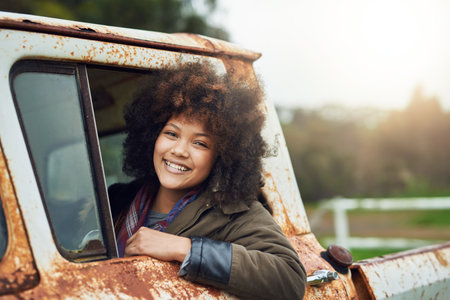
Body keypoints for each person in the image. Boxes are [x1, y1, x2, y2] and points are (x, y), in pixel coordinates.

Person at [108, 62, 306, 299]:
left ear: (222, 156)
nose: (179, 150)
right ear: (153, 136)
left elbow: (290, 278)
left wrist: (185, 249)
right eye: (171, 134)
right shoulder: (116, 198)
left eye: (200, 143)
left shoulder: (234, 213)